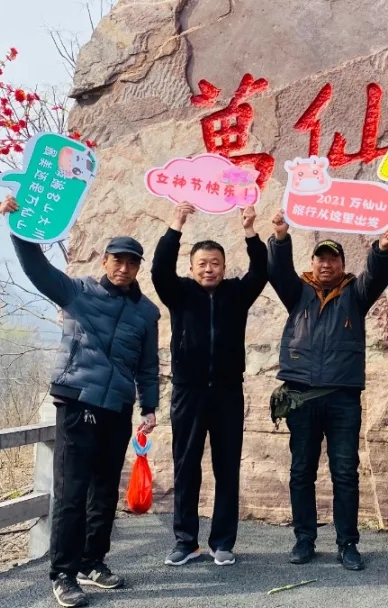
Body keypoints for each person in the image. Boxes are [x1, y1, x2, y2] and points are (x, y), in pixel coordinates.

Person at [0, 197, 159, 608]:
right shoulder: (77, 292)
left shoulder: (146, 312)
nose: (123, 268)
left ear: (139, 268)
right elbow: (37, 269)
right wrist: (20, 229)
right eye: (117, 260)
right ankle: (63, 573)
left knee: (104, 490)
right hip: (78, 402)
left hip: (118, 407)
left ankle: (93, 562)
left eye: (131, 262)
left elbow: (147, 362)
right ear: (105, 261)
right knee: (72, 492)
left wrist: (150, 406)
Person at [267, 210, 388, 571]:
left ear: (342, 263)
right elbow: (277, 272)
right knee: (301, 470)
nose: (326, 264)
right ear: (313, 263)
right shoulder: (298, 293)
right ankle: (304, 539)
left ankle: (348, 543)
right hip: (301, 396)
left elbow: (378, 276)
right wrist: (280, 238)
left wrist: (382, 248)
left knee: (345, 472)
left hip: (342, 398)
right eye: (321, 258)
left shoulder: (355, 294)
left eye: (333, 258)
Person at [150, 202, 267, 568]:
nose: (209, 268)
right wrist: (176, 224)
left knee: (226, 466)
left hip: (229, 392)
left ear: (223, 266)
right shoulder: (179, 292)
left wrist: (250, 231)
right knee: (186, 466)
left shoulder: (237, 293)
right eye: (202, 263)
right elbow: (158, 270)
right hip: (189, 391)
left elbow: (261, 271)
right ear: (191, 268)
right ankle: (186, 541)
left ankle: (222, 542)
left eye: (215, 262)